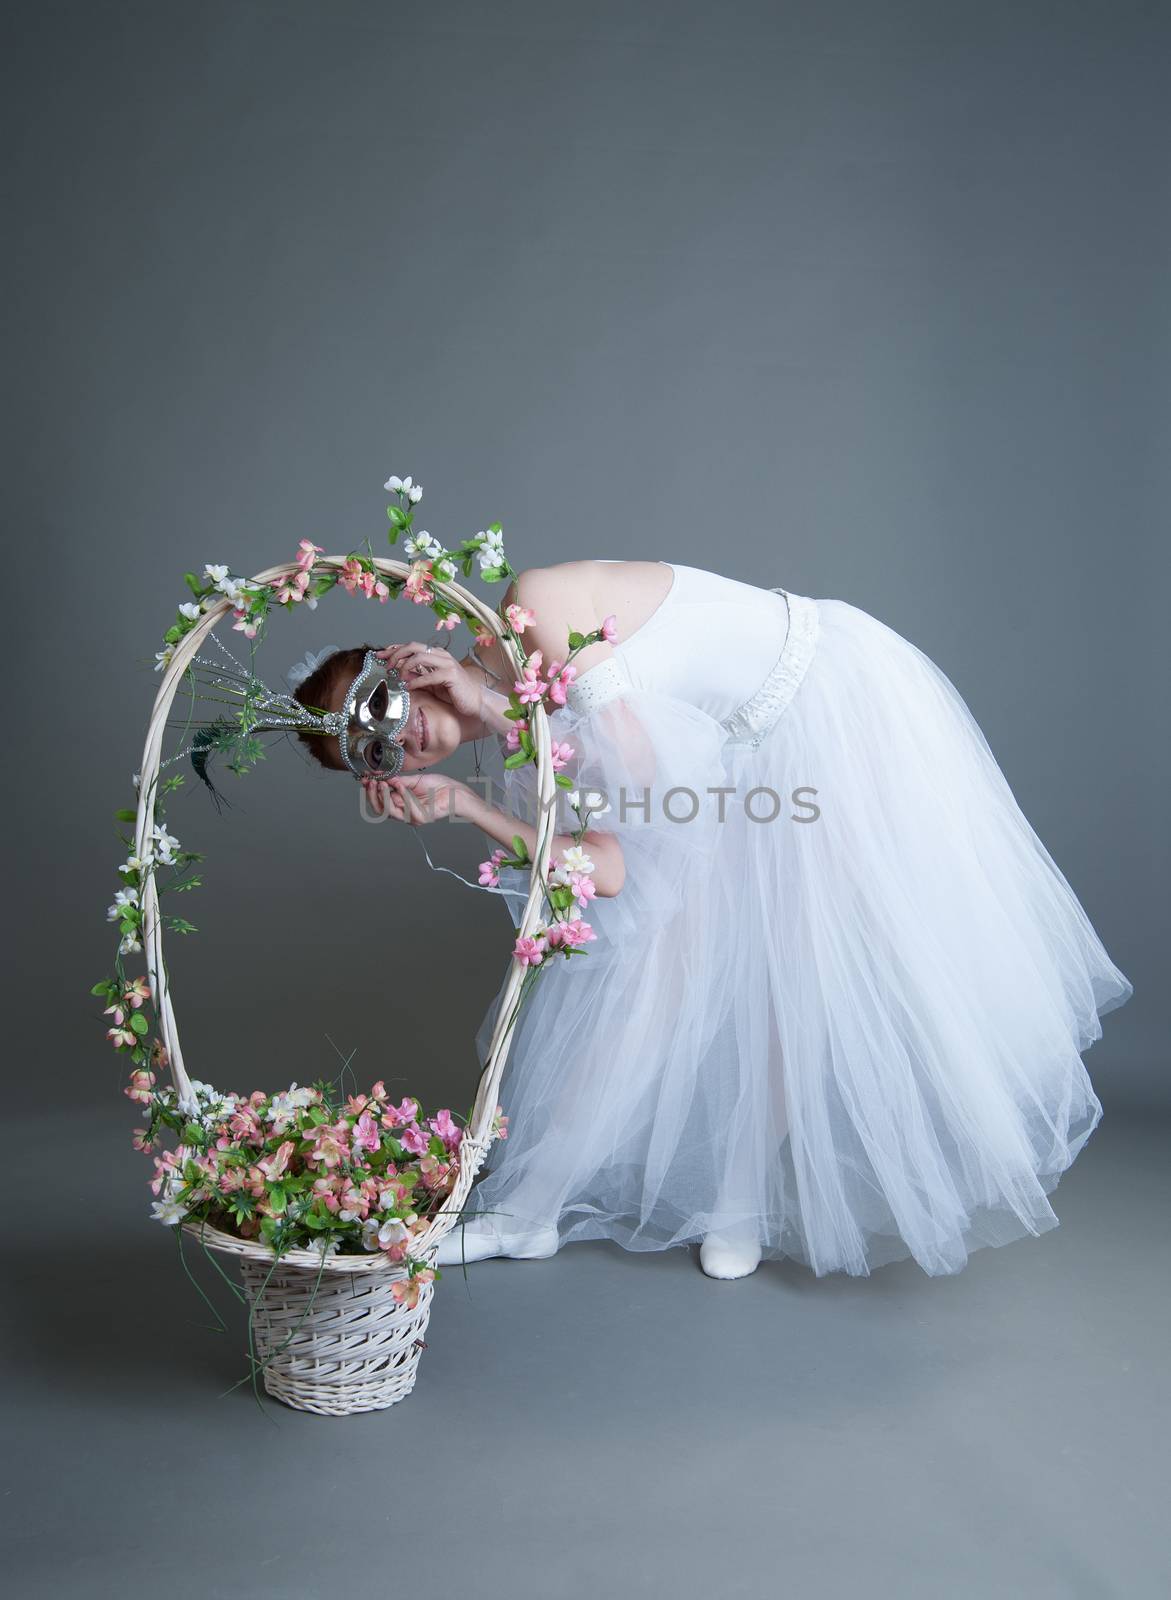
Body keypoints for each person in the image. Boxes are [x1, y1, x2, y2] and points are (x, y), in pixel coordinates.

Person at [291, 559, 1132, 1280]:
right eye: (373, 758)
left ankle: (737, 1202)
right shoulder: (515, 761)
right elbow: (612, 871)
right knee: (652, 974)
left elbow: (646, 771)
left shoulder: (532, 607)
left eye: (380, 714)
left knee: (792, 961)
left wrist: (491, 706)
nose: (396, 748)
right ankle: (530, 1211)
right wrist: (468, 808)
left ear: (401, 665)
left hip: (817, 707)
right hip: (723, 766)